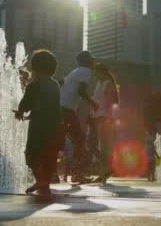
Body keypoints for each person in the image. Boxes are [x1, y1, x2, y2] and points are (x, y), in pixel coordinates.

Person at [14, 49, 64, 198]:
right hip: (55, 126)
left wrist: (20, 112)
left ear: (35, 67)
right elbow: (53, 107)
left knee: (32, 153)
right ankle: (45, 181)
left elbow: (26, 103)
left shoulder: (33, 85)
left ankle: (40, 180)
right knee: (49, 154)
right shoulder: (55, 85)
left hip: (38, 126)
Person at [59, 50, 98, 183]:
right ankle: (77, 174)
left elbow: (60, 82)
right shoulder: (86, 71)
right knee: (79, 139)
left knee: (59, 139)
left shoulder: (74, 71)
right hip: (67, 109)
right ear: (87, 61)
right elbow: (81, 91)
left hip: (61, 108)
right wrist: (93, 103)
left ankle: (53, 173)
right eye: (92, 60)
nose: (93, 62)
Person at [90, 62, 119, 183]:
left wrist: (108, 118)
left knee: (104, 147)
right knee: (100, 146)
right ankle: (105, 171)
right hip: (98, 118)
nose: (95, 74)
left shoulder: (108, 84)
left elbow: (112, 104)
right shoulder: (99, 83)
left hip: (105, 119)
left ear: (102, 72)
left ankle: (105, 172)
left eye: (96, 72)